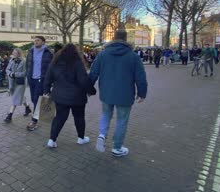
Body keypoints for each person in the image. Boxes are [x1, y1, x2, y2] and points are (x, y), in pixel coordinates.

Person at [89, 29, 147, 157]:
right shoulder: (133, 56)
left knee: (105, 114)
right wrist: (142, 93)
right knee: (122, 120)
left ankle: (102, 135)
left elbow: (93, 73)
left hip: (106, 92)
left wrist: (88, 88)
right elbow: (141, 77)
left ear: (113, 38)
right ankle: (117, 147)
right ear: (126, 40)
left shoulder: (103, 54)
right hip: (125, 94)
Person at [44, 44, 96, 148]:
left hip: (59, 96)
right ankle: (81, 138)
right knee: (79, 117)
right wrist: (92, 90)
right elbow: (83, 80)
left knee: (59, 118)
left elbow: (48, 78)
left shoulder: (54, 62)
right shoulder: (77, 63)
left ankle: (52, 140)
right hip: (77, 96)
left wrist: (46, 90)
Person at [25, 36, 53, 131]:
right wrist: (27, 75)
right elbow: (27, 65)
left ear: (43, 42)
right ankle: (39, 114)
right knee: (34, 99)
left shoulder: (48, 52)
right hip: (31, 79)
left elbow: (51, 67)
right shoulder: (30, 51)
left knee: (37, 99)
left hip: (41, 79)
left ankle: (34, 121)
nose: (36, 42)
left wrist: (50, 80)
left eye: (38, 40)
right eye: (35, 40)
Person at [4, 48, 28, 122]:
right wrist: (10, 73)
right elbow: (7, 70)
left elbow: (24, 73)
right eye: (13, 52)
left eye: (15, 53)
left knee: (15, 98)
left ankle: (9, 115)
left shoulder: (24, 61)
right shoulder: (11, 60)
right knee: (20, 96)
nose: (13, 54)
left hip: (20, 83)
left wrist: (15, 74)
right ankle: (28, 108)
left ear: (19, 53)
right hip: (13, 82)